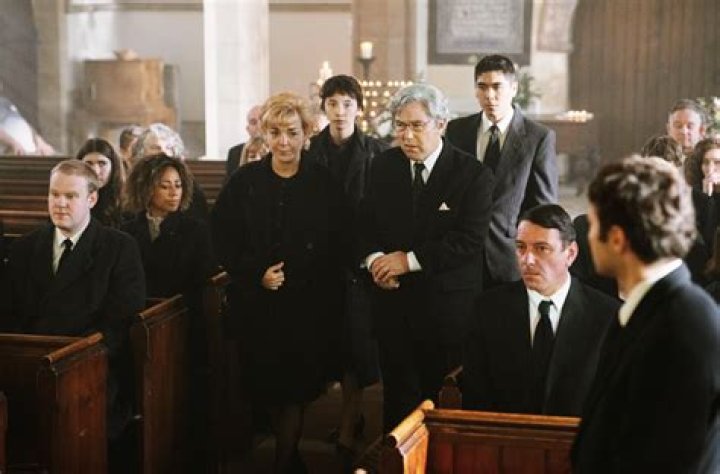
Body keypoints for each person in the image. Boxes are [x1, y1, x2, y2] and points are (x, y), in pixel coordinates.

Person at [211, 92, 343, 472]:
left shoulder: (323, 182)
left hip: (307, 306)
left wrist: (317, 283)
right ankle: (290, 455)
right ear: (264, 135)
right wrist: (256, 274)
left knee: (295, 390)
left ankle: (284, 461)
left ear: (306, 134)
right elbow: (222, 238)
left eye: (292, 132)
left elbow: (338, 240)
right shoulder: (245, 180)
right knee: (265, 387)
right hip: (258, 304)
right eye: (275, 133)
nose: (283, 142)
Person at [357, 83, 493, 431]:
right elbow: (363, 225)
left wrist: (407, 261)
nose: (406, 136)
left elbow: (468, 241)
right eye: (400, 126)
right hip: (393, 309)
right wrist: (375, 261)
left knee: (442, 409)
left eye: (417, 125)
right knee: (397, 406)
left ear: (441, 124)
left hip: (445, 314)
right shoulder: (382, 166)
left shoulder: (472, 174)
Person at [571, 156, 720, 473]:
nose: (588, 236)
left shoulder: (686, 324)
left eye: (593, 225)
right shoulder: (648, 309)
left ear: (617, 239)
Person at [0, 159, 146, 470]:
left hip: (92, 367)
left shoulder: (118, 247)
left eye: (70, 196)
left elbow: (120, 320)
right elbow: (8, 311)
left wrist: (74, 358)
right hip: (29, 365)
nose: (60, 203)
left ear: (91, 199)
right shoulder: (25, 247)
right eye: (54, 194)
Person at [463, 204, 619, 416]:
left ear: (570, 254)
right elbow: (476, 399)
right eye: (521, 247)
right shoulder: (487, 310)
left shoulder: (607, 316)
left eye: (541, 248)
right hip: (505, 434)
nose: (527, 260)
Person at [306, 74, 389, 456]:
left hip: (359, 263)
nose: (340, 112)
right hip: (320, 262)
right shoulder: (310, 151)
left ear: (359, 108)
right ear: (324, 107)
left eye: (347, 104)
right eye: (333, 104)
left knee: (356, 346)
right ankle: (344, 418)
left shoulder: (376, 152)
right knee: (328, 345)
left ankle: (347, 425)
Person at [121, 153, 216, 470]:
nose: (174, 192)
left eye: (178, 185)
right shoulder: (127, 229)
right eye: (165, 186)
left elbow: (202, 282)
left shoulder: (195, 230)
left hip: (183, 325)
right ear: (147, 188)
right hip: (139, 323)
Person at [445, 54, 558, 288]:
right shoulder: (457, 130)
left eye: (497, 87)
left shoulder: (538, 137)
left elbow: (543, 208)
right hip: (458, 257)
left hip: (509, 260)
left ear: (514, 88)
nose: (489, 95)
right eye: (482, 87)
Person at [132, 123, 210, 222]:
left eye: (169, 147)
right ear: (142, 153)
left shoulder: (189, 187)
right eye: (156, 148)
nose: (164, 152)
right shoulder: (135, 183)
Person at [75, 138, 125, 227]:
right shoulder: (71, 199)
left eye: (102, 164)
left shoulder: (126, 204)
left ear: (113, 167)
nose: (95, 171)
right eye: (88, 163)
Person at [226, 104, 263, 177]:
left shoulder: (277, 150)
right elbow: (229, 182)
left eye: (262, 121)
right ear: (248, 129)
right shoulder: (234, 152)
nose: (259, 126)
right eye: (253, 122)